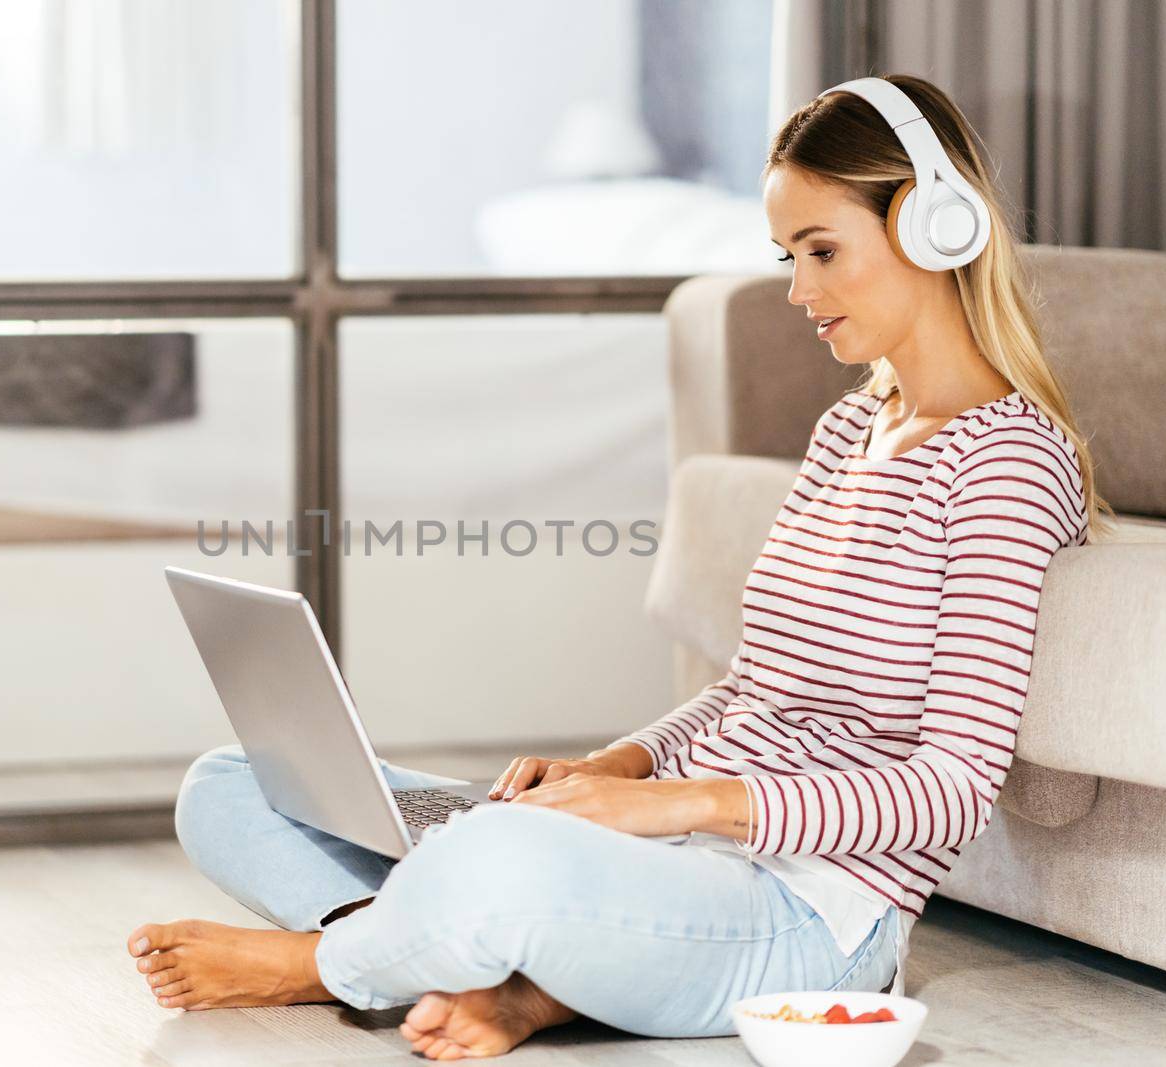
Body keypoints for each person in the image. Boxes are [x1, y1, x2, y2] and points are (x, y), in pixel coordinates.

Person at [124, 73, 1109, 1060]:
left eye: (820, 251)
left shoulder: (1006, 461)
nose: (798, 292)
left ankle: (327, 961)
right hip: (674, 854)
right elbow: (752, 689)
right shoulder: (850, 425)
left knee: (498, 856)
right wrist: (615, 768)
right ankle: (487, 960)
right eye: (787, 257)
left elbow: (952, 785)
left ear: (933, 227)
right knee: (236, 780)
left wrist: (673, 803)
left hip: (806, 914)